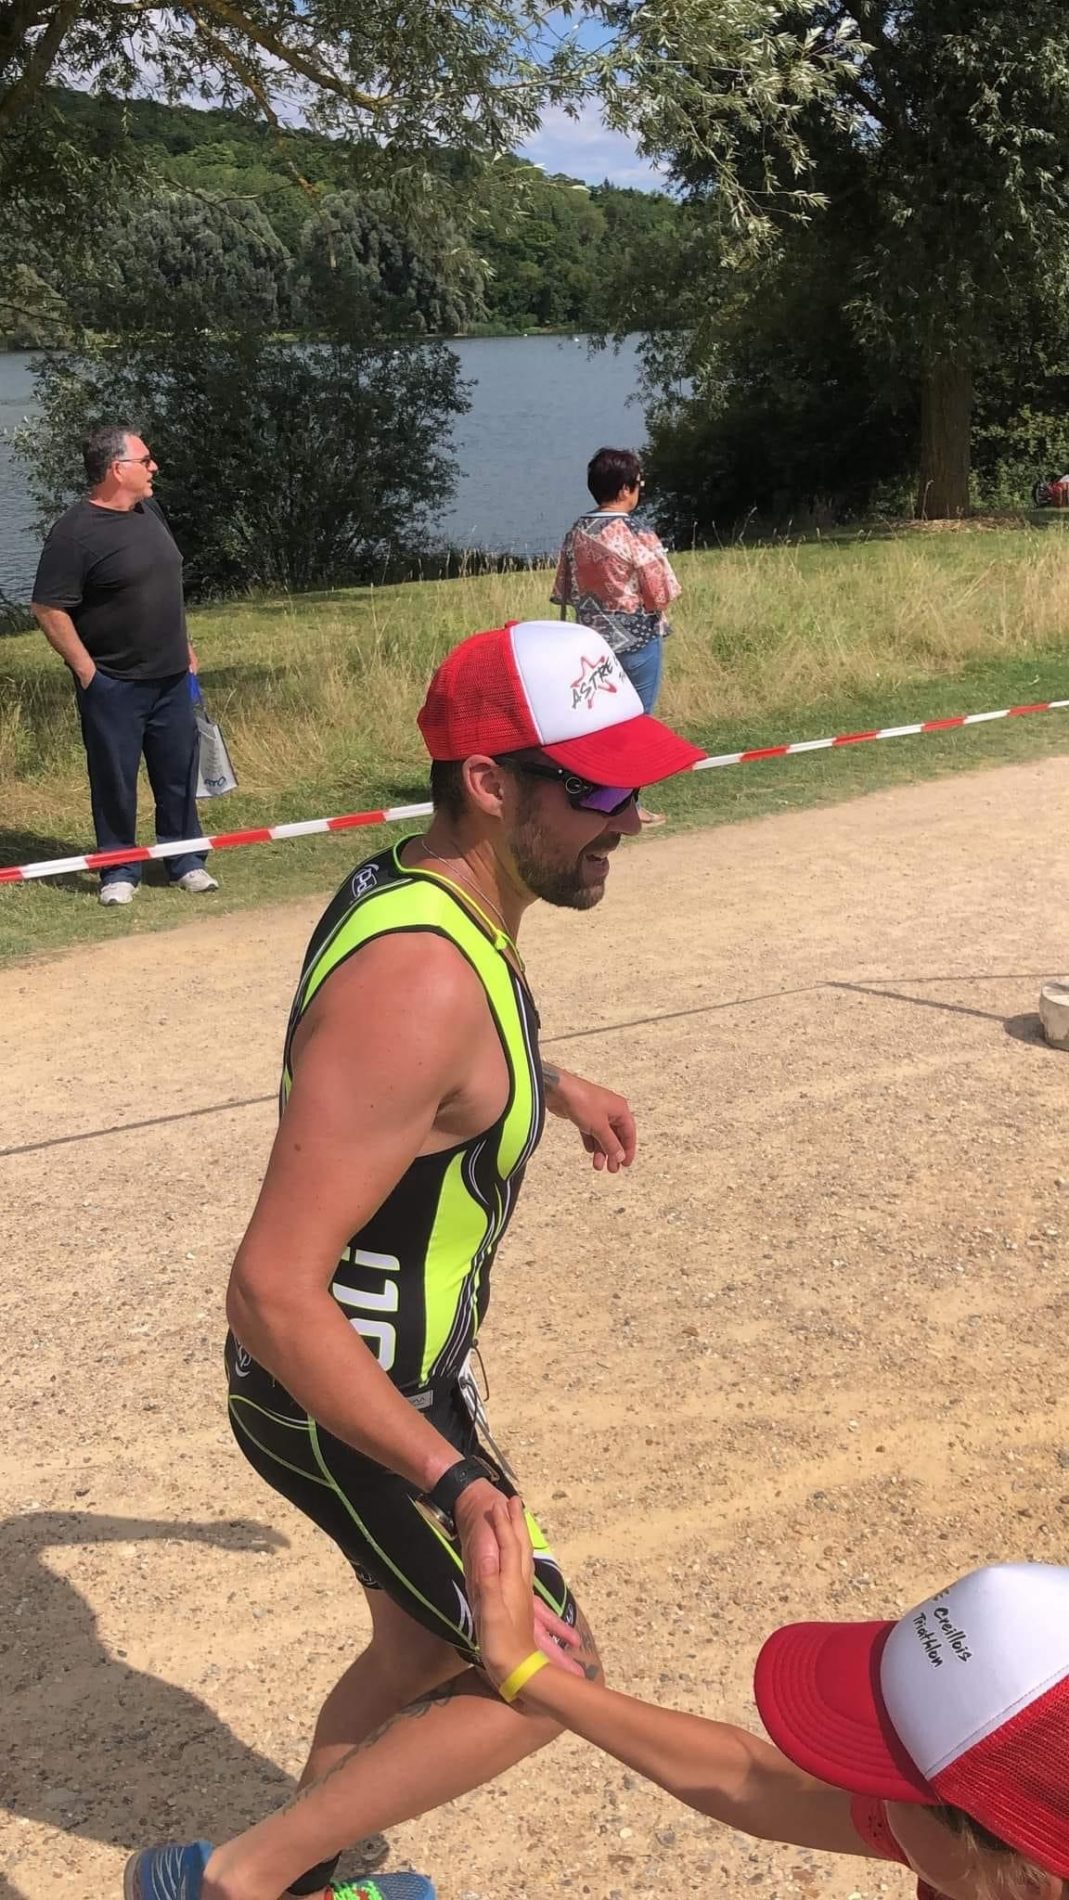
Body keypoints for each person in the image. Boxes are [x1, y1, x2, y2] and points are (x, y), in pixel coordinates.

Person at [125, 618, 705, 1900]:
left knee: (412, 1641)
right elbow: (270, 1285)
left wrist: (542, 1083)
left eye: (638, 783)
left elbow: (418, 1074)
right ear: (490, 783)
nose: (632, 819)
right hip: (343, 1395)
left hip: (400, 1374)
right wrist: (450, 1479)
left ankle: (301, 1878)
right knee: (550, 1673)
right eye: (598, 790)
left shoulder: (428, 891)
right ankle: (234, 1881)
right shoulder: (420, 980)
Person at [472, 1496, 1069, 1900]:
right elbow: (761, 1784)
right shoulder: (994, 1862)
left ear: (1028, 1875)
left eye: (890, 1783)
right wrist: (529, 1674)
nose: (869, 1800)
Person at [31, 424, 217, 907]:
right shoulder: (75, 533)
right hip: (114, 682)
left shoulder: (150, 511)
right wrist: (87, 671)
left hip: (173, 675)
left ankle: (185, 861)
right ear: (117, 470)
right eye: (145, 460)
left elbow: (164, 586)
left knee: (177, 772)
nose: (154, 467)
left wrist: (187, 645)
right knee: (114, 778)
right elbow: (49, 607)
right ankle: (118, 868)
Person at [551, 445, 682, 828]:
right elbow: (662, 590)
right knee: (637, 722)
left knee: (597, 721)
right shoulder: (636, 532)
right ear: (626, 488)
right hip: (638, 639)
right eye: (639, 483)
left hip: (590, 643)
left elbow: (565, 589)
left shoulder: (577, 530)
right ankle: (625, 805)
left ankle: (592, 793)